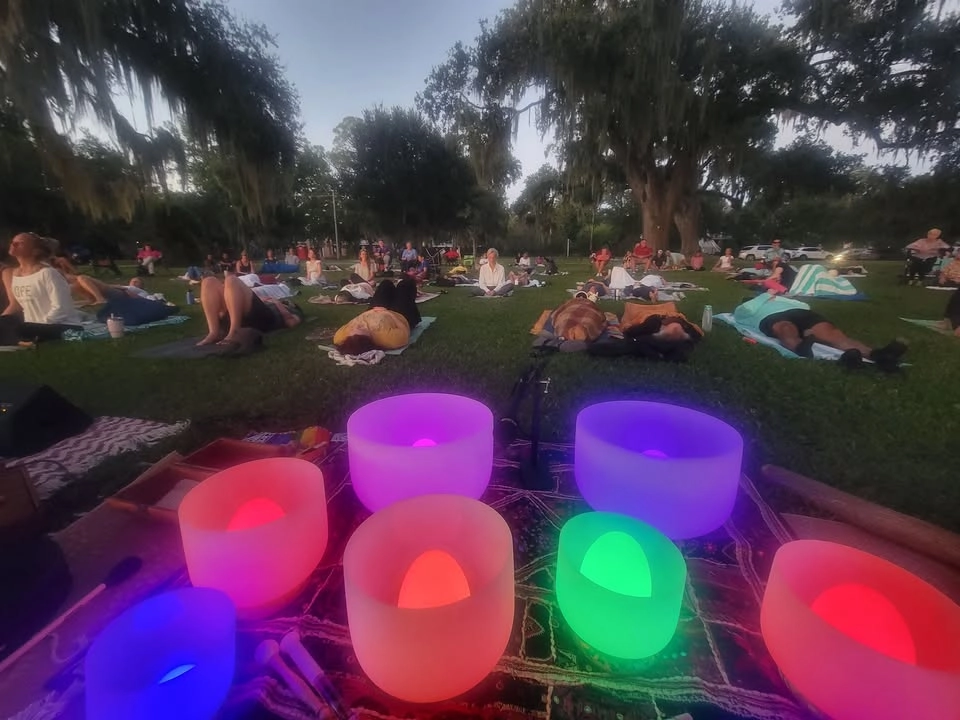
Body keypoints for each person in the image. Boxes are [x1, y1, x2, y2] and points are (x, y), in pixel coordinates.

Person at [733, 293, 908, 371]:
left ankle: (876, 354)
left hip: (801, 313)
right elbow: (743, 314)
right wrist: (765, 296)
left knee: (832, 334)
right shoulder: (746, 306)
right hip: (772, 317)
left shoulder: (782, 299)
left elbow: (804, 305)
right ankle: (799, 346)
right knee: (785, 327)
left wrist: (776, 297)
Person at [0, 233, 84, 345]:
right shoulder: (16, 275)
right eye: (13, 242)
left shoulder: (48, 273)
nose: (13, 245)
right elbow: (21, 307)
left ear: (35, 251)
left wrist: (40, 325)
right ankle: (25, 339)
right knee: (7, 324)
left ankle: (24, 339)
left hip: (64, 327)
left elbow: (61, 308)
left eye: (20, 243)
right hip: (32, 327)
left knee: (21, 330)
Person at [196, 274, 302, 346]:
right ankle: (214, 332)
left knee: (231, 280)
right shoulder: (270, 301)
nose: (286, 301)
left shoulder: (291, 309)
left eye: (287, 302)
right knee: (208, 281)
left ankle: (234, 332)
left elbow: (292, 321)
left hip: (262, 319)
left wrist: (279, 305)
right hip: (239, 314)